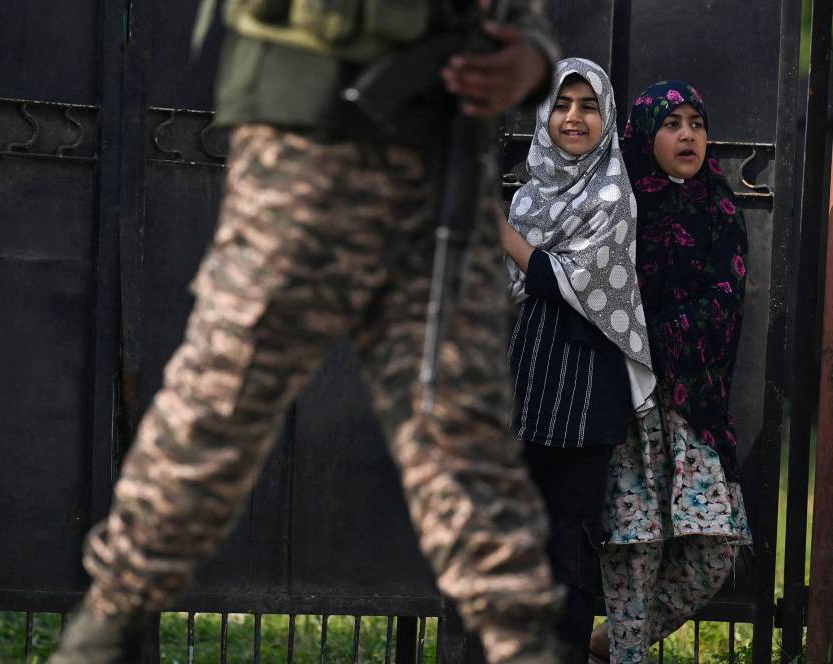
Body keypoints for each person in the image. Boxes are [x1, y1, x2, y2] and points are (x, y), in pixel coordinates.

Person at [50, 3, 567, 663]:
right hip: (309, 149)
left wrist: (529, 58)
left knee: (464, 432)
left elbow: (524, 19)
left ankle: (522, 646)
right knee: (222, 403)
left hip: (447, 160)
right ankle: (103, 627)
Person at [588, 81, 753, 664]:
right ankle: (626, 655)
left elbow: (725, 299)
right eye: (671, 123)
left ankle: (605, 646)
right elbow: (596, 291)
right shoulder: (617, 205)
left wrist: (652, 332)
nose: (687, 134)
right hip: (627, 399)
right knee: (635, 547)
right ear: (643, 134)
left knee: (717, 546)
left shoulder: (721, 207)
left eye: (696, 123)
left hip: (694, 405)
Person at [497, 58, 656, 664]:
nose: (573, 118)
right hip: (527, 377)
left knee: (570, 537)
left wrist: (497, 227)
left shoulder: (612, 194)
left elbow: (548, 277)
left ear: (607, 117)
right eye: (562, 105)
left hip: (585, 388)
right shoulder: (533, 195)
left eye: (588, 106)